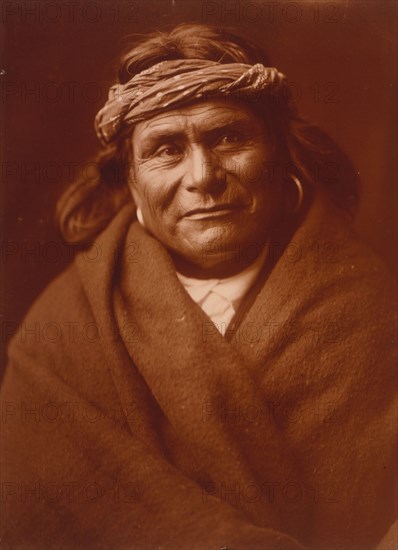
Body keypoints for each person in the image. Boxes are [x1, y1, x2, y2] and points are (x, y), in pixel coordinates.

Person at [1, 23, 396, 549]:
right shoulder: (59, 336)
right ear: (131, 180)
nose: (203, 176)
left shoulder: (374, 310)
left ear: (280, 156)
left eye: (229, 137)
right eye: (166, 149)